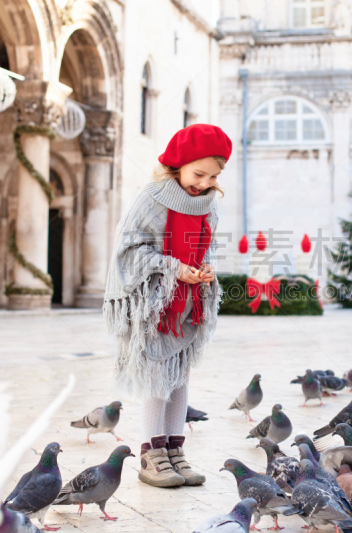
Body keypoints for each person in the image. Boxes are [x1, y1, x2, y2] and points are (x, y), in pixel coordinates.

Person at [103, 123, 231, 488]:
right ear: (179, 164)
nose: (205, 182)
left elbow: (207, 245)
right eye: (199, 173)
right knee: (157, 378)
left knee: (180, 377)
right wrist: (174, 269)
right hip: (154, 304)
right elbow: (129, 250)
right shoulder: (152, 198)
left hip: (188, 305)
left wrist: (205, 267)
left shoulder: (209, 205)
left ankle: (175, 450)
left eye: (214, 175)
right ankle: (151, 454)